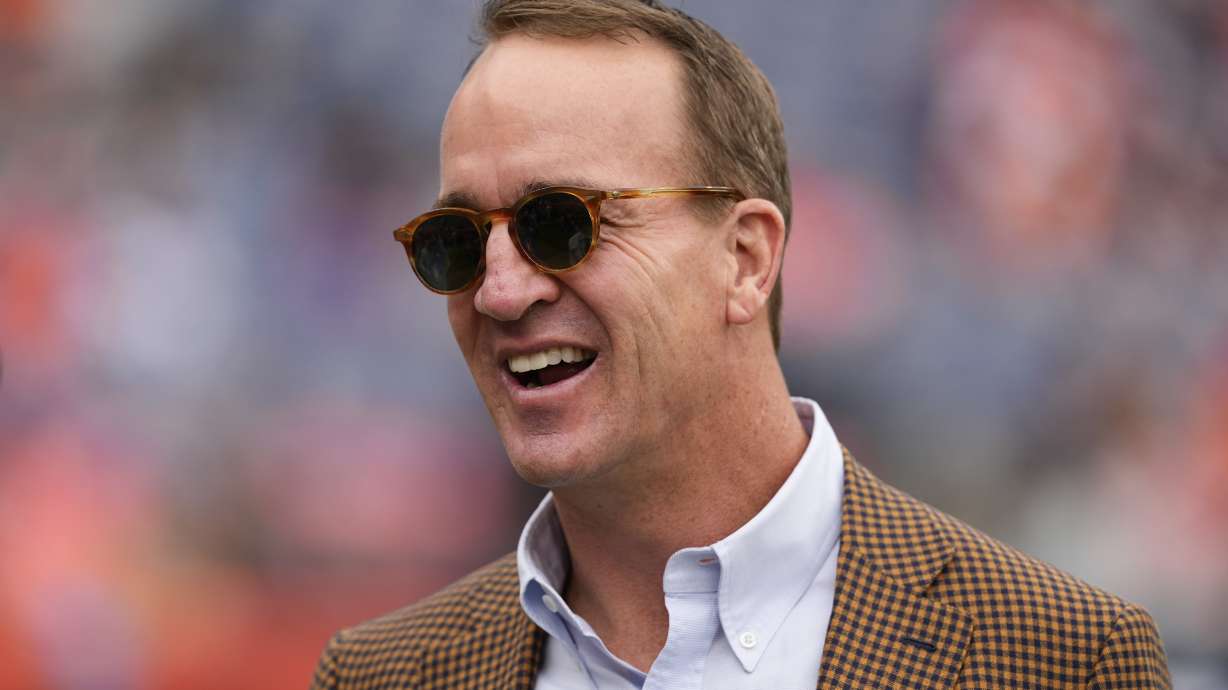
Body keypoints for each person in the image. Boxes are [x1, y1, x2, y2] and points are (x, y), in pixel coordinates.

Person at [311, 1, 1171, 688]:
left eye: (560, 224)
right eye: (455, 240)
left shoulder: (1059, 660)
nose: (500, 290)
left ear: (746, 257)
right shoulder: (383, 675)